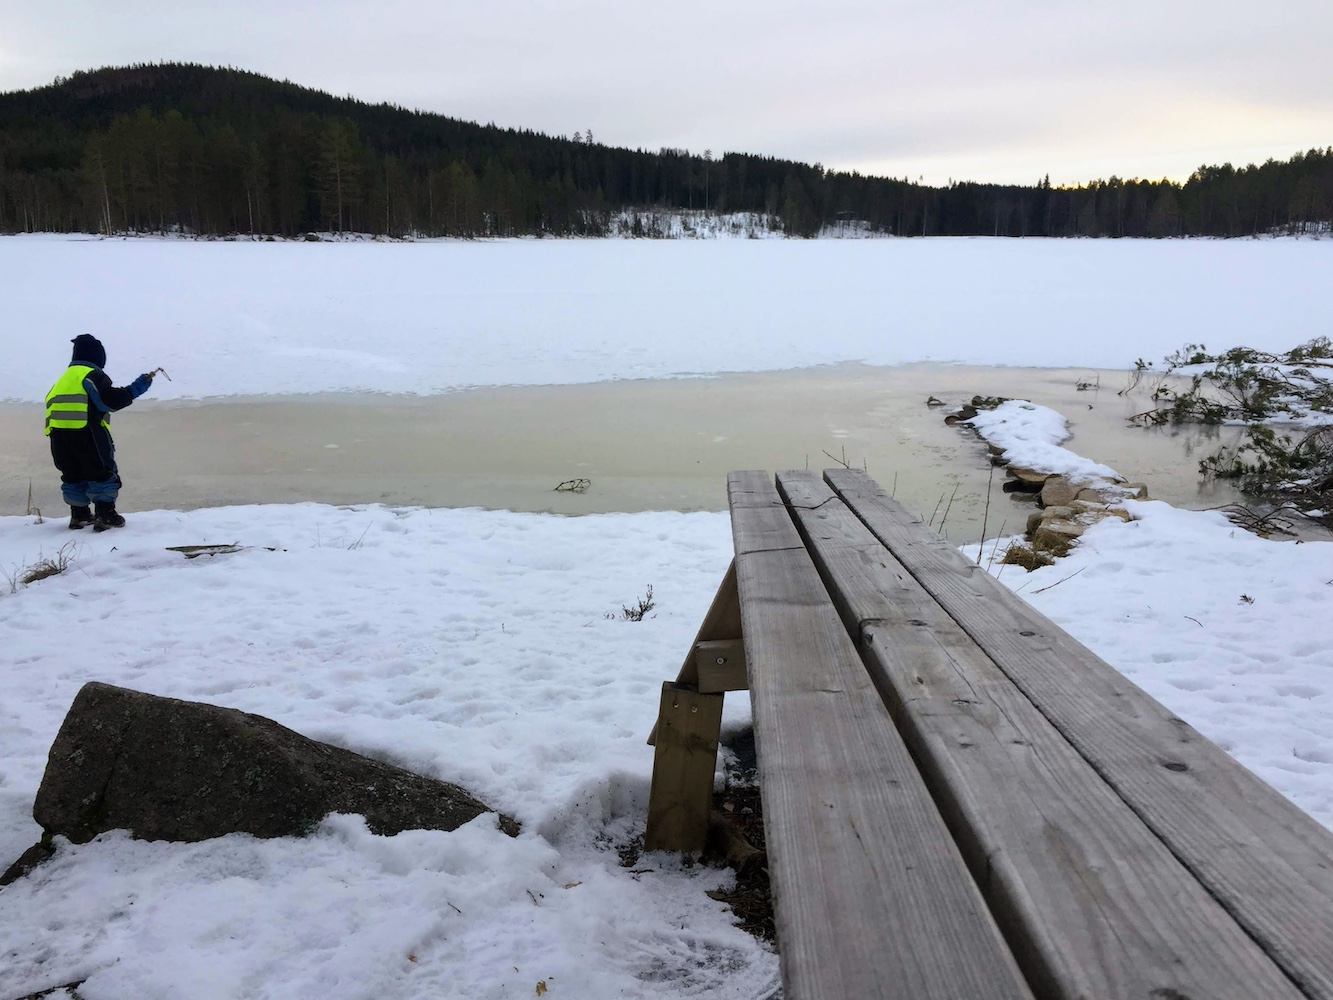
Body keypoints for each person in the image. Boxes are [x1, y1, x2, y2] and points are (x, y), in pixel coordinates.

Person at [45, 334, 154, 531]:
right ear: (97, 357)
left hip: (59, 438)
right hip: (88, 435)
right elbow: (108, 401)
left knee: (73, 474)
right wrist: (134, 389)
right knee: (101, 473)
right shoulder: (91, 375)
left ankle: (79, 516)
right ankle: (106, 515)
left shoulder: (63, 380)